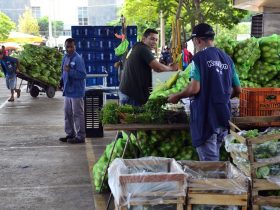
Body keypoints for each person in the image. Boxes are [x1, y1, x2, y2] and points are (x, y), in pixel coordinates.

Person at [168, 23, 241, 161]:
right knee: (215, 158)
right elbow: (238, 90)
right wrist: (221, 97)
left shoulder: (199, 59)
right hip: (223, 116)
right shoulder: (227, 59)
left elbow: (194, 88)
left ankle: (215, 182)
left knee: (210, 166)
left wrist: (177, 96)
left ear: (198, 40)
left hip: (206, 118)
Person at [119, 28, 178, 106]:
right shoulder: (143, 49)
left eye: (156, 40)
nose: (154, 42)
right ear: (144, 38)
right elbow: (158, 68)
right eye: (152, 39)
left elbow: (153, 67)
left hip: (126, 91)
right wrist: (172, 68)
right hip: (132, 95)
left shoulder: (137, 46)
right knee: (136, 117)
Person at [59, 38, 87, 144]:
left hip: (76, 91)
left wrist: (70, 71)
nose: (69, 49)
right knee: (67, 113)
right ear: (65, 47)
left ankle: (80, 136)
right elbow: (63, 71)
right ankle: (70, 134)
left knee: (77, 114)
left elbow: (83, 75)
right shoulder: (65, 57)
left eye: (71, 46)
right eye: (67, 47)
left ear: (75, 46)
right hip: (67, 91)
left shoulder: (78, 59)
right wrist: (61, 81)